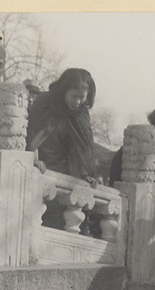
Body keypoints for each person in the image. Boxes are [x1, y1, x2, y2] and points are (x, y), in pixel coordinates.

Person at [26, 68, 99, 233]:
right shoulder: (45, 102)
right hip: (41, 163)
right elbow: (33, 133)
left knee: (58, 219)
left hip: (63, 169)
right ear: (64, 91)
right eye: (74, 96)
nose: (78, 102)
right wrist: (34, 158)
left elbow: (83, 146)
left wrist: (86, 172)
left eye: (82, 97)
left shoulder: (81, 113)